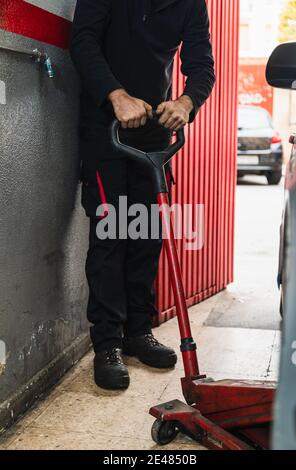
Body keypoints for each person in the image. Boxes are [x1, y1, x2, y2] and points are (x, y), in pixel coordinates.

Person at [70, 0, 215, 390]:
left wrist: (186, 103)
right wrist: (116, 95)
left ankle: (138, 331)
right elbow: (83, 41)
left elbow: (202, 66)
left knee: (146, 237)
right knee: (111, 236)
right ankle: (108, 343)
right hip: (107, 130)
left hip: (153, 135)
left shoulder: (190, 3)